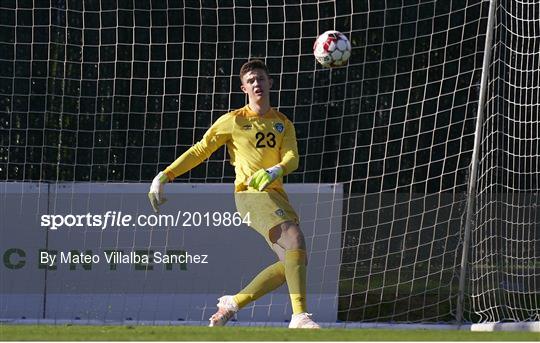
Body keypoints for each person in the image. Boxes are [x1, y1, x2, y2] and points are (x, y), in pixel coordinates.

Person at [148, 59, 320, 329]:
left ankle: (233, 303)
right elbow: (200, 150)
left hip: (275, 196)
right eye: (251, 81)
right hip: (250, 194)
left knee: (294, 262)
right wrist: (165, 175)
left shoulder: (282, 123)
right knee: (294, 239)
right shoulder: (233, 120)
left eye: (261, 79)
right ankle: (300, 316)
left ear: (270, 83)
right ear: (243, 88)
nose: (256, 84)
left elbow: (292, 157)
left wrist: (276, 170)